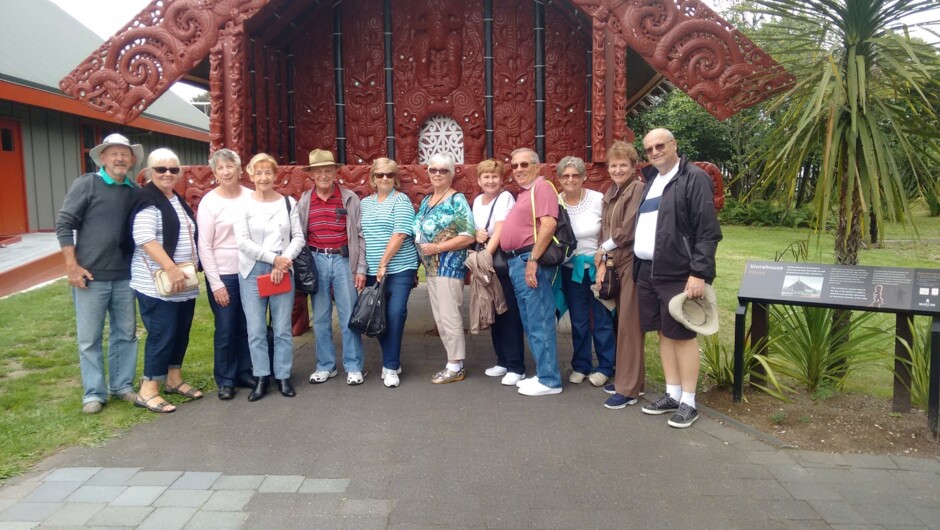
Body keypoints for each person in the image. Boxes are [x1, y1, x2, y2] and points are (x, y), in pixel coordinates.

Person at [636, 128, 722, 428]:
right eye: (649, 149)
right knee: (663, 332)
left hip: (678, 272)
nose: (655, 151)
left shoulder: (693, 177)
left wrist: (698, 273)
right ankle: (672, 393)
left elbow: (707, 231)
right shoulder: (651, 181)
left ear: (674, 145)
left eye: (660, 145)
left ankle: (689, 401)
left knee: (683, 336)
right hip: (649, 270)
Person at [55, 133, 142, 414]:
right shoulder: (87, 184)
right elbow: (64, 223)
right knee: (89, 338)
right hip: (90, 277)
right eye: (113, 153)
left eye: (124, 154)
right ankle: (93, 393)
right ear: (102, 158)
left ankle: (122, 386)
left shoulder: (135, 191)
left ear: (131, 160)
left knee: (125, 334)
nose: (119, 158)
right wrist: (71, 266)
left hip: (126, 276)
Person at [128, 148, 201, 413]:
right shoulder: (147, 199)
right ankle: (148, 390)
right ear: (149, 172)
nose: (167, 174)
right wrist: (170, 268)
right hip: (157, 284)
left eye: (173, 169)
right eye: (161, 169)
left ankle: (174, 379)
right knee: (162, 333)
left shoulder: (174, 198)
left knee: (180, 331)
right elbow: (145, 238)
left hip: (183, 282)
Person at [235, 153, 305, 401]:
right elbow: (242, 241)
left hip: (283, 267)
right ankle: (262, 376)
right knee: (255, 329)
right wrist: (272, 259)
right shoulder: (243, 205)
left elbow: (298, 237)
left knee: (282, 328)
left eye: (268, 172)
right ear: (251, 175)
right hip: (253, 269)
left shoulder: (288, 203)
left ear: (275, 175)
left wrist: (282, 260)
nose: (263, 177)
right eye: (258, 172)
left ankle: (283, 375)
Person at [297, 149, 368, 385]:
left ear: (335, 172)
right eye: (319, 171)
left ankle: (354, 366)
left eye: (328, 170)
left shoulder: (349, 198)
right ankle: (325, 365)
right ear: (312, 175)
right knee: (321, 317)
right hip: (317, 259)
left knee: (349, 315)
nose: (324, 175)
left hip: (343, 260)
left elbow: (360, 235)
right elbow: (298, 234)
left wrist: (360, 268)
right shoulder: (305, 200)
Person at [499, 148, 563, 396]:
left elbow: (549, 224)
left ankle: (550, 380)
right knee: (530, 320)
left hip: (529, 259)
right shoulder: (525, 193)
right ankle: (543, 373)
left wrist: (533, 259)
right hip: (518, 261)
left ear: (537, 166)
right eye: (514, 166)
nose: (518, 169)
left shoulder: (542, 187)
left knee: (540, 320)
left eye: (524, 164)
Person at [196, 149, 255, 400]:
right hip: (224, 274)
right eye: (221, 168)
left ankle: (245, 370)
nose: (227, 171)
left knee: (248, 325)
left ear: (240, 170)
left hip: (250, 271)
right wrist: (216, 282)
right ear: (214, 172)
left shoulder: (252, 197)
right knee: (226, 327)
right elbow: (204, 246)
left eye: (231, 166)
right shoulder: (210, 202)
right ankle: (226, 378)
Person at [593, 141, 646, 409]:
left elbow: (629, 227)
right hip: (613, 261)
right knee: (621, 323)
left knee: (629, 325)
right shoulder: (612, 191)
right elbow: (604, 228)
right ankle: (632, 379)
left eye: (623, 164)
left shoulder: (637, 189)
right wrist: (602, 259)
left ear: (633, 166)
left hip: (630, 261)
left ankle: (628, 388)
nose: (617, 169)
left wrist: (603, 248)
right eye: (613, 165)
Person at [414, 153, 475, 384]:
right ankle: (452, 361)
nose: (437, 174)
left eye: (443, 170)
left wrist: (438, 247)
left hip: (449, 266)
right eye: (433, 170)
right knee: (440, 317)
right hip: (431, 268)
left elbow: (468, 235)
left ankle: (456, 365)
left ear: (451, 174)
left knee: (449, 316)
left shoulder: (455, 200)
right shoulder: (427, 200)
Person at [556, 156, 615, 387]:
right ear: (559, 179)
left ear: (583, 177)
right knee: (579, 321)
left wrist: (604, 261)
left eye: (575, 175)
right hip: (572, 270)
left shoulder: (597, 199)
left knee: (602, 319)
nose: (570, 179)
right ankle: (581, 365)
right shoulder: (556, 202)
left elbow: (610, 231)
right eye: (565, 175)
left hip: (598, 268)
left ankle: (605, 366)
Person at [360, 158, 419, 388]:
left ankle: (391, 366)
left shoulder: (401, 200)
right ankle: (391, 360)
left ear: (395, 179)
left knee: (396, 314)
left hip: (399, 268)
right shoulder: (365, 203)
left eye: (390, 175)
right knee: (378, 316)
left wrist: (383, 263)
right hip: (373, 271)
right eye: (380, 175)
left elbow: (400, 234)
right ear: (373, 178)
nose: (385, 178)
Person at [472, 159, 525, 386]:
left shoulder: (505, 198)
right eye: (486, 177)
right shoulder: (476, 201)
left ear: (502, 180)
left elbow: (502, 228)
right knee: (492, 310)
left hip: (500, 262)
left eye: (494, 176)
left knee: (508, 312)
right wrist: (477, 235)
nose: (490, 181)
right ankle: (502, 360)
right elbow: (475, 229)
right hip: (486, 263)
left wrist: (485, 256)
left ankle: (516, 366)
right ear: (479, 180)